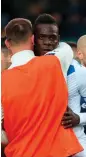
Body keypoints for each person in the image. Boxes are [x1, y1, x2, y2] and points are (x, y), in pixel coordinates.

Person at [1, 18, 83, 157]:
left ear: (7, 43)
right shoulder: (55, 62)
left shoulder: (2, 80)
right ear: (33, 39)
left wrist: (17, 133)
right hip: (59, 152)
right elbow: (65, 47)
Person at [33, 13, 86, 157]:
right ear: (33, 39)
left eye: (52, 38)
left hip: (76, 150)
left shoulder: (77, 71)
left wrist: (79, 118)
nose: (47, 42)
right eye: (42, 37)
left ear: (59, 39)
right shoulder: (23, 70)